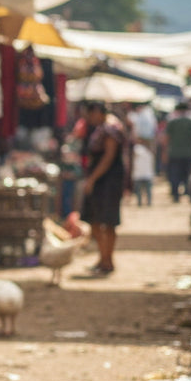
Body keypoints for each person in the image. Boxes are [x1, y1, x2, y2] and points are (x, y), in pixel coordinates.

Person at [79, 101, 126, 274]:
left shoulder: (111, 129)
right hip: (101, 181)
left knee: (108, 221)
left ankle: (108, 260)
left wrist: (92, 179)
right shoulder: (101, 128)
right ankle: (103, 258)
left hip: (108, 182)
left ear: (98, 112)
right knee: (96, 221)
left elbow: (108, 157)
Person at [163, 102, 191, 202]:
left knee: (174, 174)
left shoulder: (172, 122)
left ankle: (176, 194)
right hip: (188, 153)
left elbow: (166, 139)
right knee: (187, 174)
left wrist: (165, 152)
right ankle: (188, 192)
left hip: (174, 153)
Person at [130, 140, 154, 207]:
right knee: (148, 191)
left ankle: (139, 203)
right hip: (147, 175)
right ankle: (149, 203)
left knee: (138, 191)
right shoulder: (150, 153)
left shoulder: (136, 149)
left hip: (138, 175)